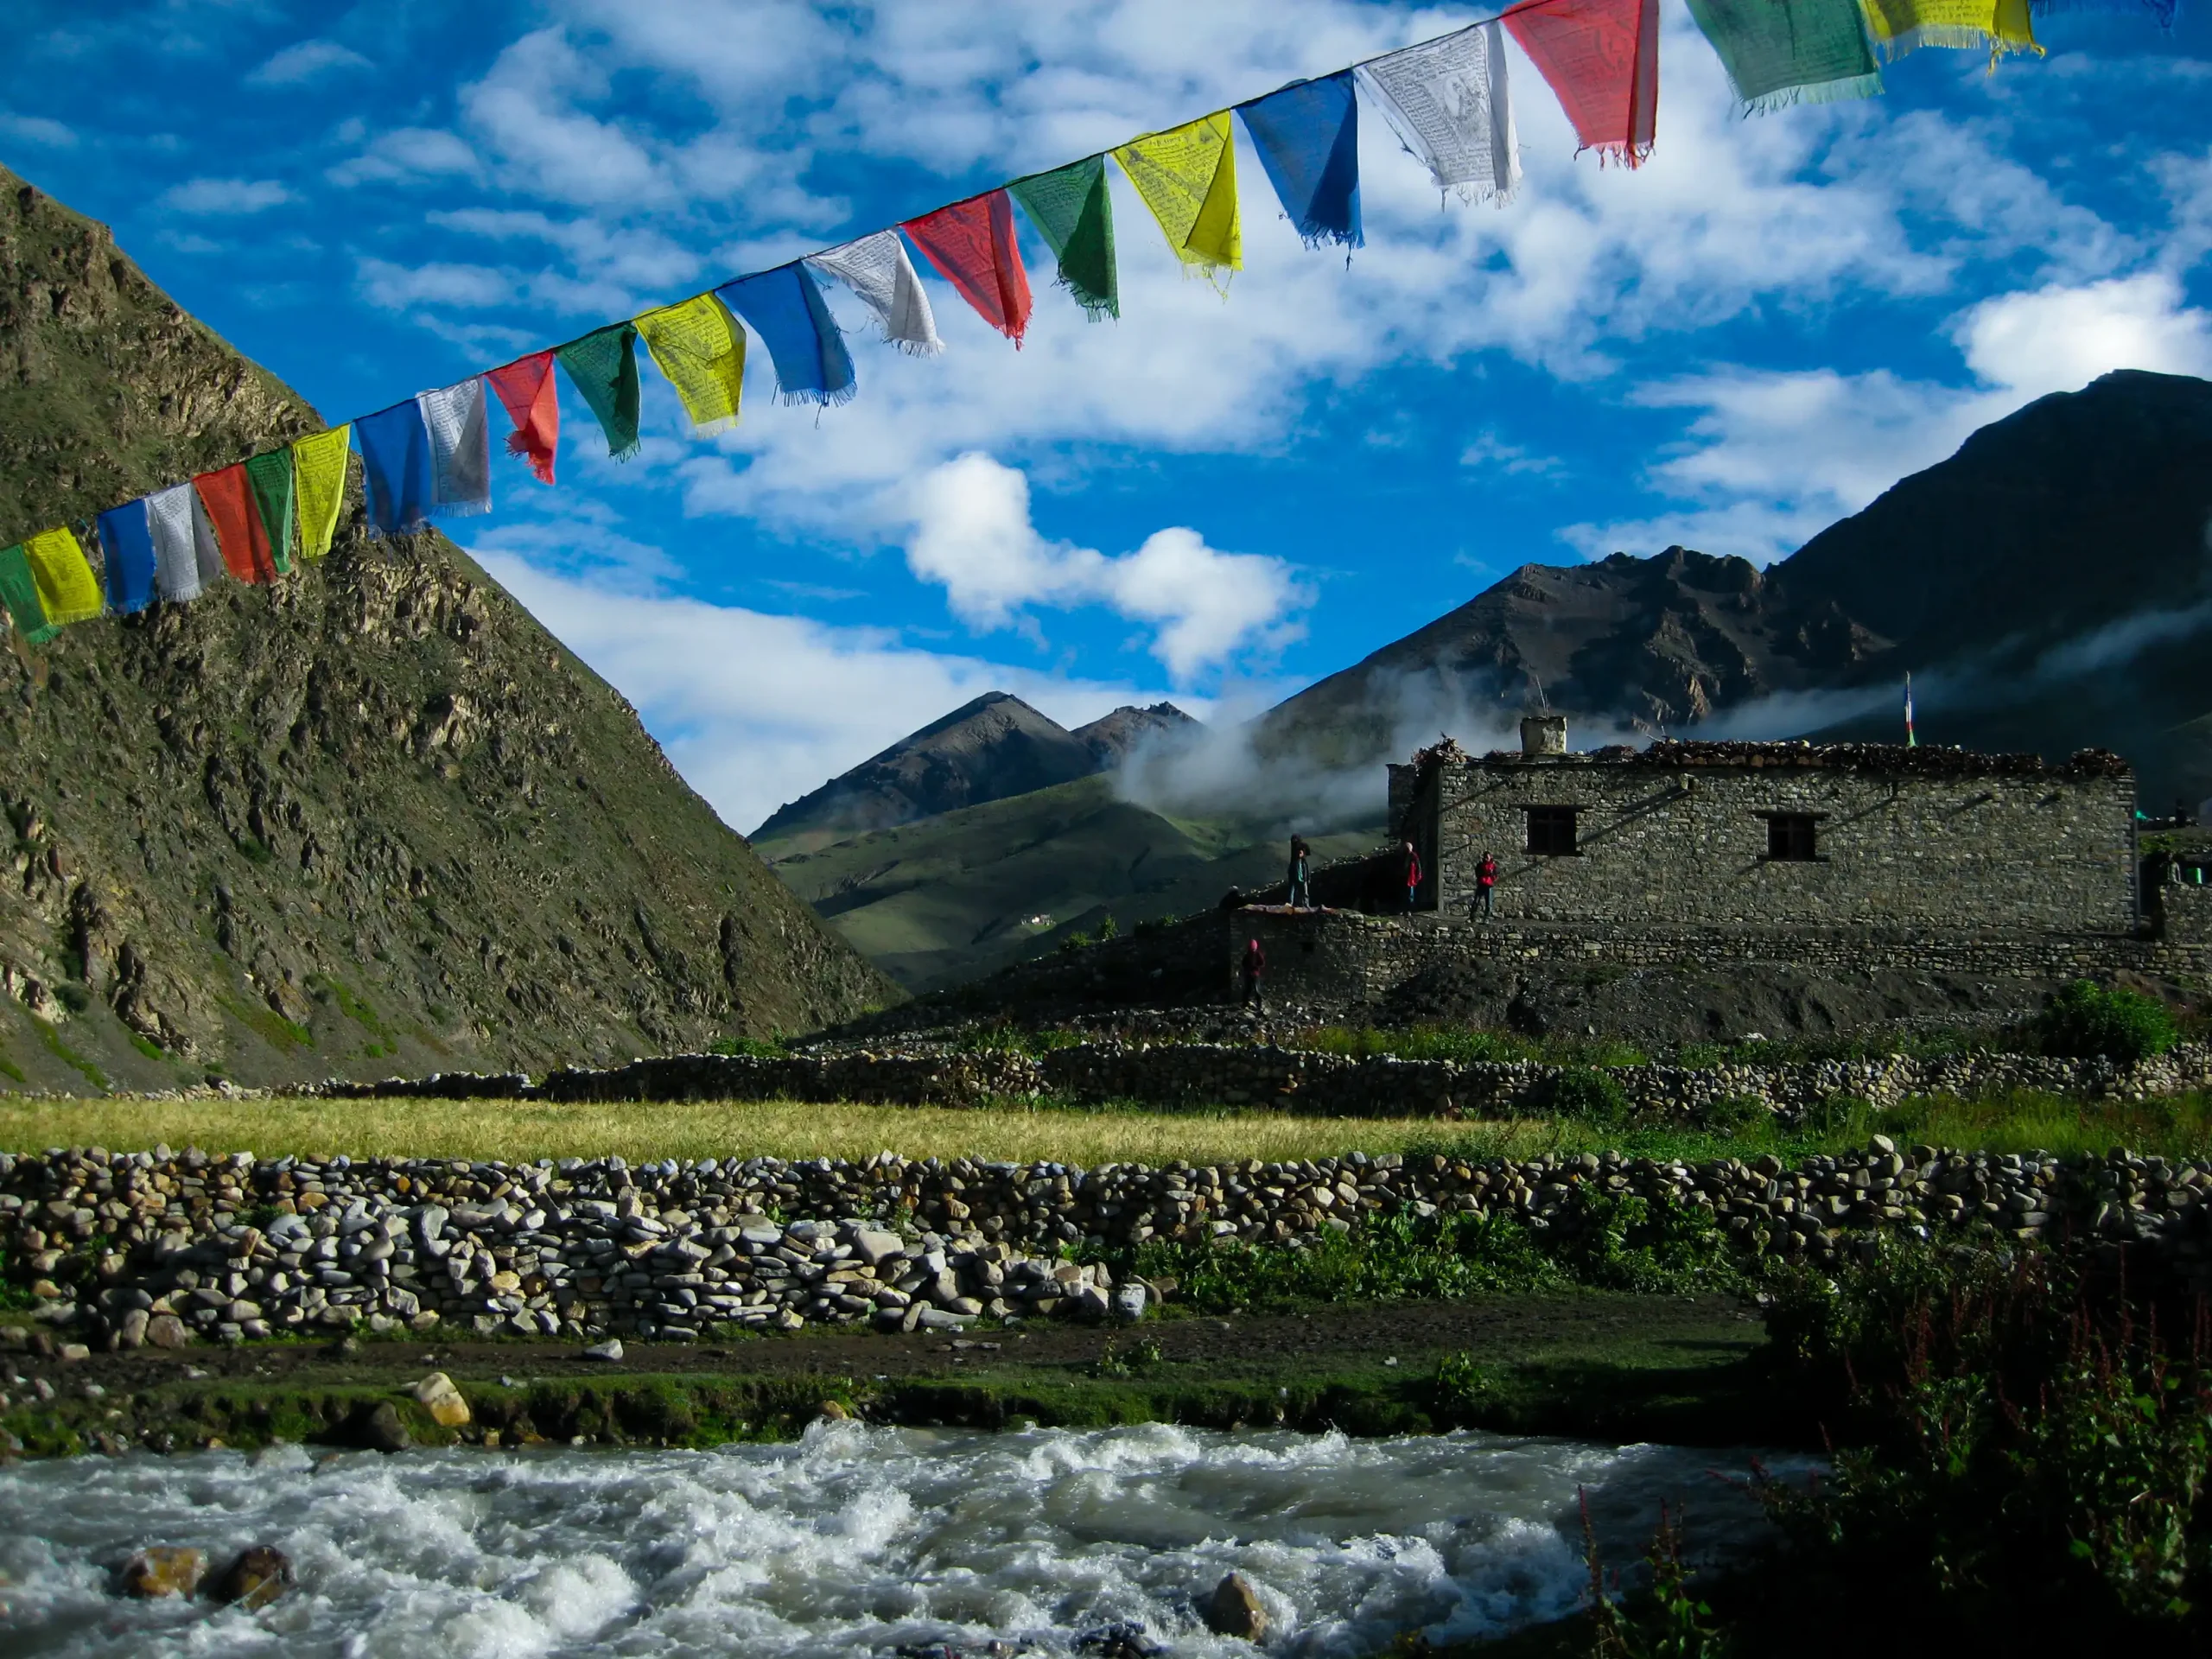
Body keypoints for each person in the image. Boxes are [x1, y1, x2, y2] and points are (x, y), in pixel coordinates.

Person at [1241, 936, 1266, 1009]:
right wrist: (1247, 969)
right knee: (1247, 990)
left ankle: (1259, 1005)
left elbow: (1262, 963)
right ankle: (1245, 1003)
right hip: (1249, 974)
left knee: (1257, 990)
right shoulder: (1248, 954)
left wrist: (1255, 966)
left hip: (1255, 975)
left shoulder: (1258, 954)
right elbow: (1243, 963)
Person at [1287, 836, 1311, 909]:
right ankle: (1302, 905)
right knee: (1298, 892)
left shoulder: (1300, 862)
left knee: (1301, 892)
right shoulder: (1299, 862)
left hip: (1301, 878)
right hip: (1299, 878)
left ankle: (1304, 905)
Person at [1474, 849, 1498, 919]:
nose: (1486, 858)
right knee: (1476, 901)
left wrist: (1491, 874)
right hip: (1481, 884)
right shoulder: (1480, 865)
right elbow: (1477, 874)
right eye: (1485, 857)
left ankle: (1486, 918)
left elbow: (1495, 876)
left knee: (1488, 904)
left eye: (1487, 857)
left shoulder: (1493, 866)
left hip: (1489, 885)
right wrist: (1483, 874)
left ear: (1490, 857)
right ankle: (1473, 917)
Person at [1401, 840, 1422, 913]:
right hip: (1405, 877)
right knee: (1405, 893)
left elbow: (1418, 868)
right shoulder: (1404, 856)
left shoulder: (1414, 857)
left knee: (1410, 894)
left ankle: (1410, 909)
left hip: (1411, 878)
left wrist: (1417, 877)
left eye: (1407, 848)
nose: (1406, 850)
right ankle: (1405, 909)